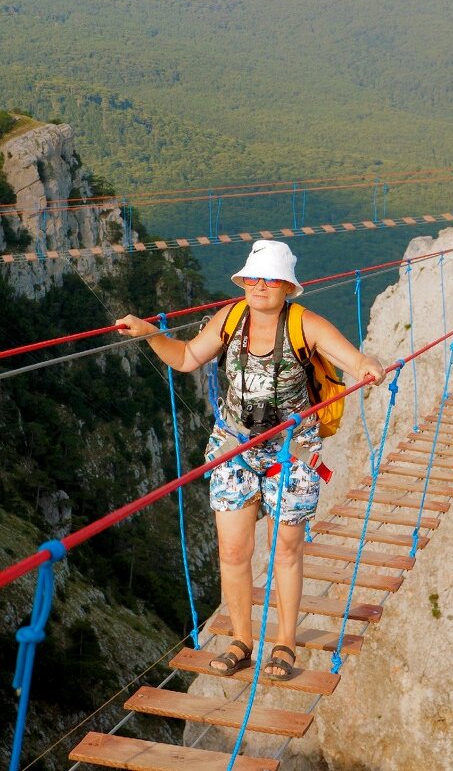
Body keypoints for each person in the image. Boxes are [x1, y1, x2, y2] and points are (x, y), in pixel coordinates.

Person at [117, 240, 385, 679]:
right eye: (254, 278)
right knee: (234, 550)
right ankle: (241, 640)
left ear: (287, 287)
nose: (260, 285)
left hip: (291, 451)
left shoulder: (305, 325)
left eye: (271, 279)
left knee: (286, 551)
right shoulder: (230, 319)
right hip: (235, 446)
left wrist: (370, 365)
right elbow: (186, 357)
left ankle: (284, 645)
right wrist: (151, 334)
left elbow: (355, 361)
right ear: (243, 282)